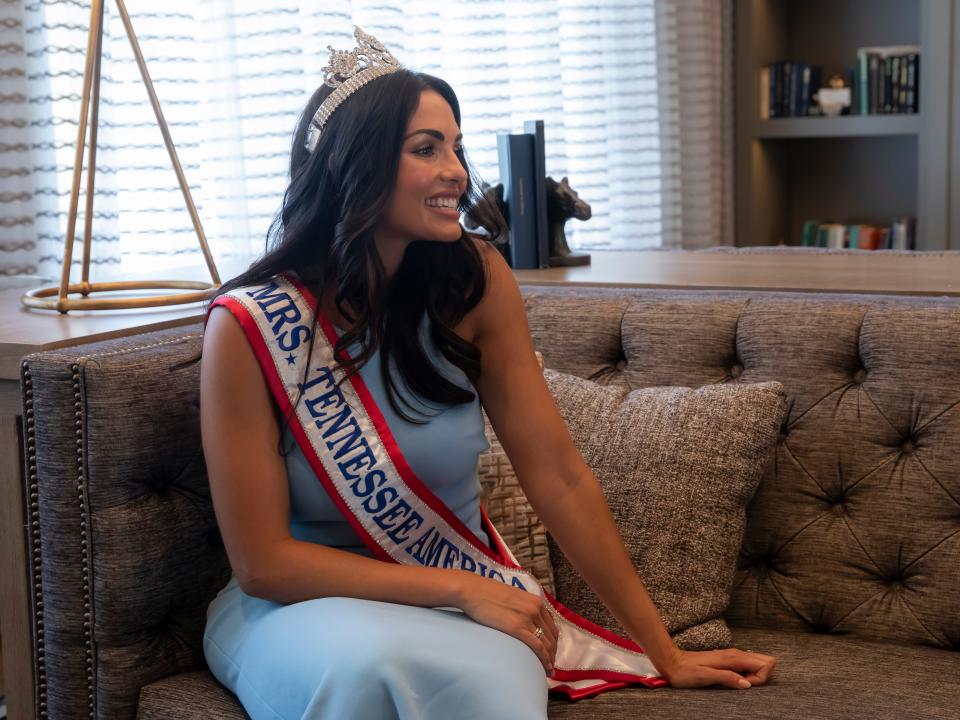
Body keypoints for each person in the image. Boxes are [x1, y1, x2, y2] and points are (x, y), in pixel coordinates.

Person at [199, 27, 776, 720]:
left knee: (488, 687)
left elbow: (559, 478)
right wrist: (459, 590)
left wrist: (665, 651)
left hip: (459, 598)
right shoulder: (249, 326)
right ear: (355, 166)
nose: (457, 172)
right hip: (299, 611)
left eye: (456, 147)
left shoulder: (474, 281)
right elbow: (263, 563)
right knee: (367, 672)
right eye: (426, 149)